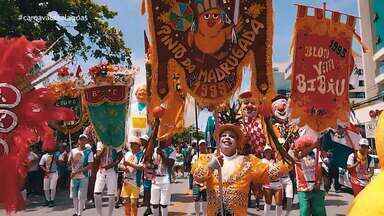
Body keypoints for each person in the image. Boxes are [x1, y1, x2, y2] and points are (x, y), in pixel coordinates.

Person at [192, 123, 291, 215]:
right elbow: (197, 177)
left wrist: (292, 156)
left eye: (231, 136)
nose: (227, 138)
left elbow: (270, 173)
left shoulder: (248, 161)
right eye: (223, 135)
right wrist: (211, 166)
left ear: (237, 142)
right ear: (218, 140)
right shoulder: (206, 159)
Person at [291, 135, 326, 216]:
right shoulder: (297, 154)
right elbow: (298, 156)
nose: (307, 147)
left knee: (319, 211)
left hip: (317, 185)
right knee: (305, 211)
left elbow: (319, 167)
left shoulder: (316, 152)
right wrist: (314, 145)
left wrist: (319, 181)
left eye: (308, 145)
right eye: (305, 146)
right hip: (303, 187)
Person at [94, 141, 123, 216]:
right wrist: (103, 148)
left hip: (111, 171)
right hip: (101, 171)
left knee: (111, 194)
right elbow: (97, 156)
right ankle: (99, 214)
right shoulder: (100, 143)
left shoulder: (116, 141)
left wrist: (111, 165)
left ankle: (110, 214)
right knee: (97, 193)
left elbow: (120, 156)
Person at [68, 134, 94, 216]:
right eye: (81, 139)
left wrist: (77, 171)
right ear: (78, 141)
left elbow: (90, 166)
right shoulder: (73, 151)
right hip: (74, 177)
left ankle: (80, 213)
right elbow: (69, 163)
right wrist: (70, 161)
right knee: (74, 195)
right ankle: (76, 212)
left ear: (86, 141)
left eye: (84, 140)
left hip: (84, 176)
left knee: (81, 196)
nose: (82, 141)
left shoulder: (89, 152)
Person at [150, 138, 176, 216]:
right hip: (155, 179)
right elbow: (148, 162)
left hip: (166, 179)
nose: (162, 140)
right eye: (160, 139)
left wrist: (162, 154)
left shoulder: (172, 151)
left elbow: (170, 164)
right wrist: (151, 165)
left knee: (164, 204)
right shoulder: (153, 150)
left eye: (164, 138)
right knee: (154, 203)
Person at [120, 137, 144, 216]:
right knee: (126, 203)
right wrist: (124, 168)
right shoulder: (127, 154)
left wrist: (129, 164)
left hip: (135, 181)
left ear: (138, 145)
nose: (132, 145)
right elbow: (120, 165)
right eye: (131, 144)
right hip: (126, 181)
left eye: (134, 144)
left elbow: (141, 168)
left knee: (133, 203)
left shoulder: (141, 155)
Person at [262, 145, 283, 216]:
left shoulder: (275, 160)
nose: (268, 153)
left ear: (271, 153)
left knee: (279, 203)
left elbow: (281, 170)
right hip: (267, 184)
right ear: (264, 153)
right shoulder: (262, 161)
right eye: (266, 152)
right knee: (268, 203)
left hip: (277, 184)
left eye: (269, 151)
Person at [191, 139, 209, 216]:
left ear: (206, 146)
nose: (202, 146)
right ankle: (197, 214)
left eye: (204, 144)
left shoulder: (209, 156)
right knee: (196, 199)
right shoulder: (195, 157)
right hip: (196, 182)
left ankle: (205, 214)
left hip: (207, 182)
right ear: (198, 146)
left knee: (205, 199)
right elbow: (192, 169)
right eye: (201, 145)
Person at [139, 134, 153, 216]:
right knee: (147, 192)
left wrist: (147, 165)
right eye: (141, 140)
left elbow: (151, 163)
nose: (141, 141)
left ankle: (153, 208)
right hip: (145, 174)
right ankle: (148, 208)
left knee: (149, 192)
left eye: (143, 140)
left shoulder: (150, 150)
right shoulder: (143, 150)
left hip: (150, 175)